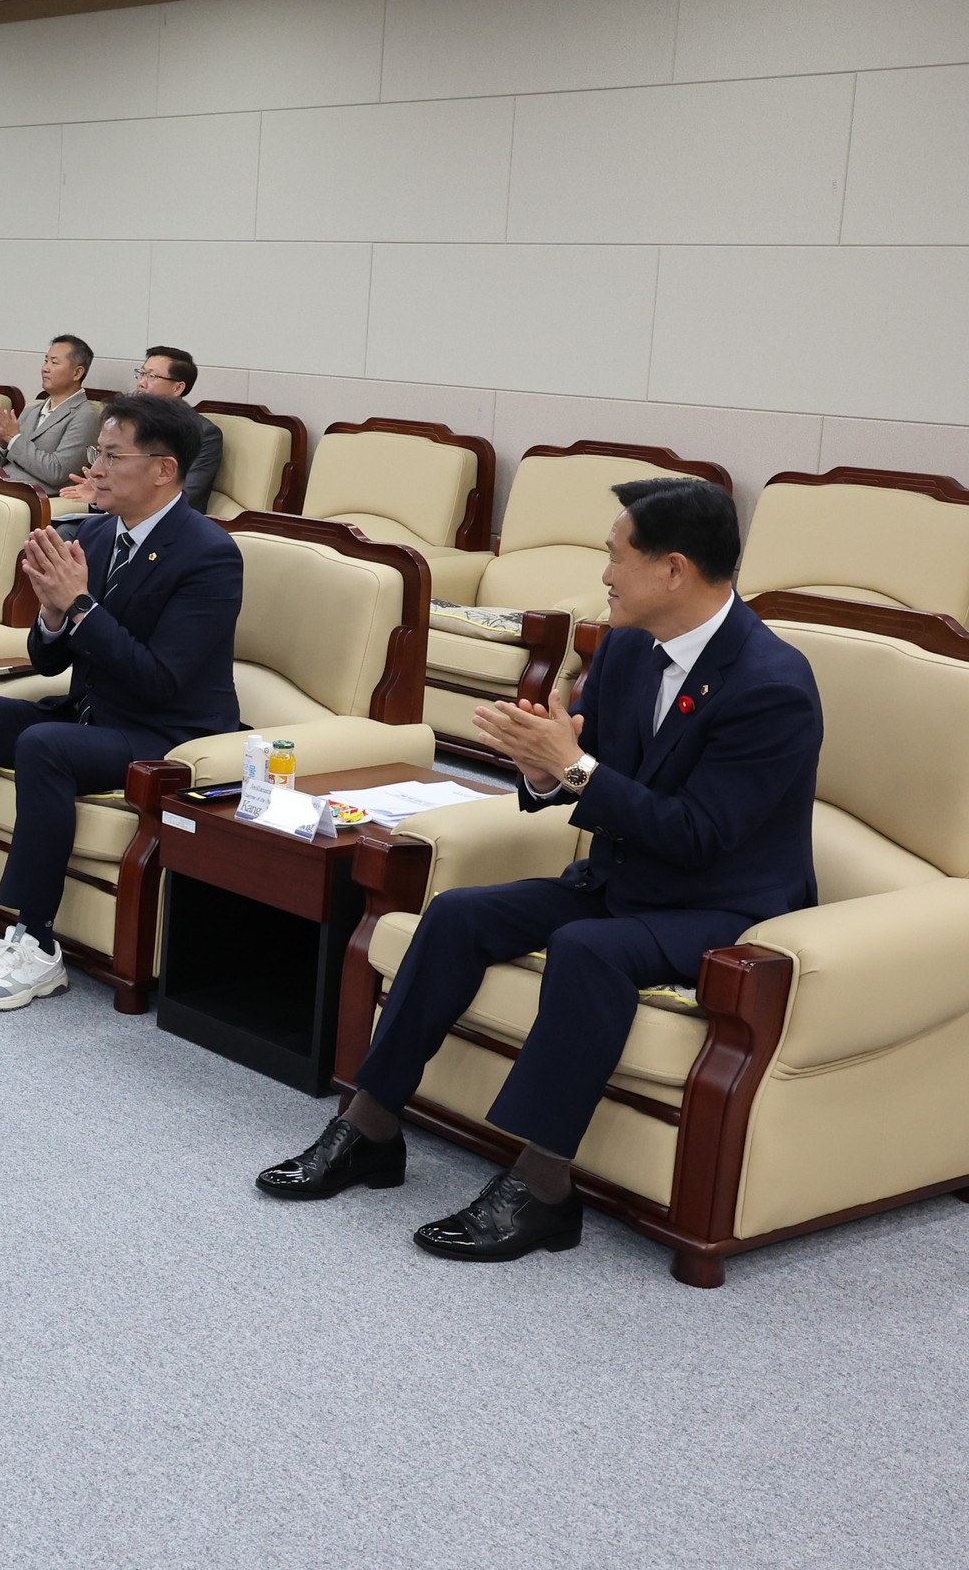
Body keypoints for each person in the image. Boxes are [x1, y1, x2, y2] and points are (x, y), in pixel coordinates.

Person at [259, 478, 822, 1263]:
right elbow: (588, 764)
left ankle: (545, 1185)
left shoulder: (772, 685)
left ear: (674, 571)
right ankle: (370, 1126)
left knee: (591, 951)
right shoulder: (628, 648)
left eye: (615, 557)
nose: (603, 576)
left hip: (725, 907)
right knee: (458, 914)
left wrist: (578, 770)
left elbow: (700, 835)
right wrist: (544, 768)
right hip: (625, 883)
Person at [0, 393, 240, 1010]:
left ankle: (35, 939)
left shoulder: (210, 554)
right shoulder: (100, 533)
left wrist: (79, 606)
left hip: (165, 734)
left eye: (111, 456)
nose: (95, 468)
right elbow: (52, 658)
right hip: (92, 714)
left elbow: (161, 681)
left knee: (44, 744)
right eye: (95, 453)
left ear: (164, 470)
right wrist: (54, 615)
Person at [61, 346, 220, 515]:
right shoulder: (127, 423)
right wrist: (100, 493)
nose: (141, 383)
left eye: (152, 376)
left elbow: (187, 495)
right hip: (114, 517)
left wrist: (111, 495)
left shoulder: (205, 433)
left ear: (178, 388)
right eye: (141, 373)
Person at [0, 335, 100, 497]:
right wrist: (3, 442)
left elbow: (58, 472)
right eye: (46, 361)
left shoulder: (86, 416)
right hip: (1, 487)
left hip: (35, 496)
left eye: (54, 362)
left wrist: (14, 439)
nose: (45, 368)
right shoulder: (32, 409)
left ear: (77, 373)